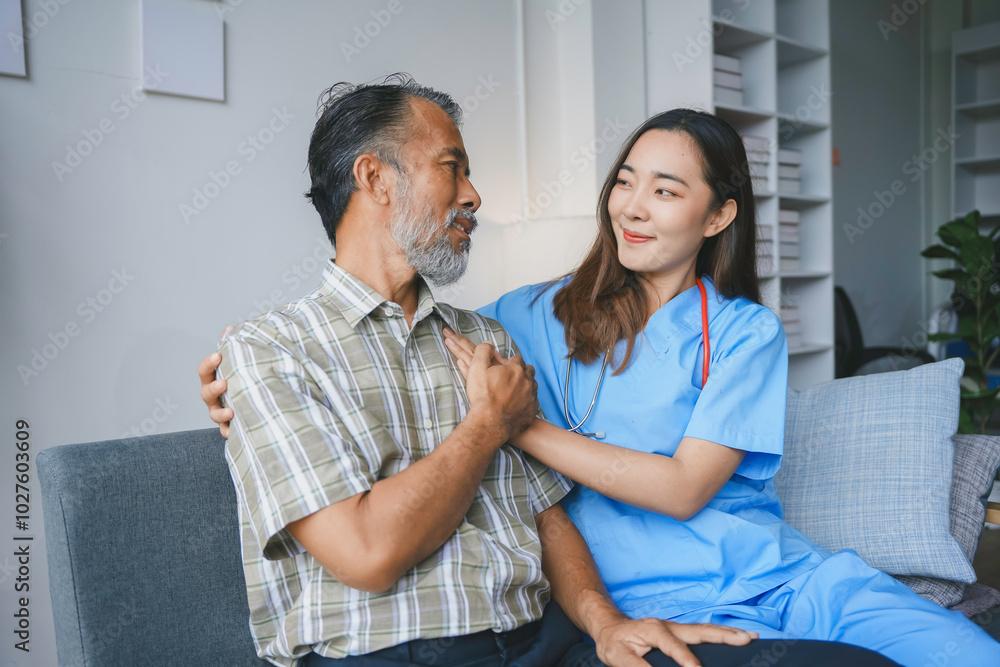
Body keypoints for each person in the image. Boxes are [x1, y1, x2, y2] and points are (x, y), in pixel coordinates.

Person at [200, 74, 900, 667]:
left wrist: (605, 624)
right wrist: (490, 423)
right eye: (454, 167)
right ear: (375, 177)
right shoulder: (272, 349)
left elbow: (546, 511)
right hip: (401, 647)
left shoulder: (485, 335)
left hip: (547, 637)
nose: (474, 195)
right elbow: (368, 552)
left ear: (718, 217)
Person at [433, 109, 1000, 667]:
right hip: (667, 602)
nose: (631, 207)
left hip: (791, 578)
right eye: (625, 182)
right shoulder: (529, 314)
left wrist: (521, 426)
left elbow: (684, 489)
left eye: (666, 192)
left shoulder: (745, 331)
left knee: (971, 654)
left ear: (717, 216)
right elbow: (411, 335)